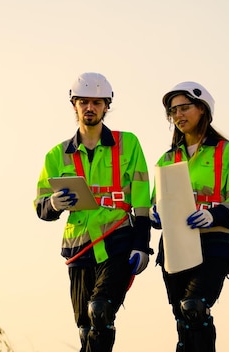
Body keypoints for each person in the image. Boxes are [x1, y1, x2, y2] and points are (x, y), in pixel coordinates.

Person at [34, 72, 152, 352]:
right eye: (84, 101)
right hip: (78, 247)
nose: (90, 107)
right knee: (85, 329)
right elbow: (41, 206)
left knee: (99, 312)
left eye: (97, 102)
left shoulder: (128, 144)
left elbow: (142, 199)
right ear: (73, 104)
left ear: (107, 106)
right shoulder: (56, 155)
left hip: (117, 240)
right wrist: (53, 205)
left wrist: (142, 245)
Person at [150, 81, 229, 352]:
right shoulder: (167, 158)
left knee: (194, 306)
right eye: (173, 111)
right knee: (182, 318)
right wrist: (154, 213)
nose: (178, 116)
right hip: (175, 246)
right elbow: (155, 200)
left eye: (184, 108)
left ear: (203, 110)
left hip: (215, 242)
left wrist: (215, 214)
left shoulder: (226, 152)